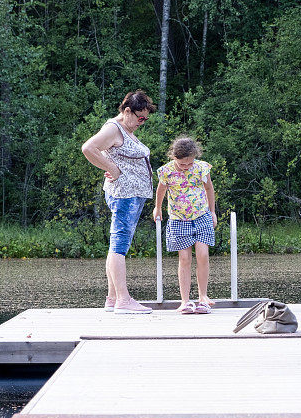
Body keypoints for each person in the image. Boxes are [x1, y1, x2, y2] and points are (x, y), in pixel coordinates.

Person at [81, 90, 156, 314]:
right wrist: (112, 168)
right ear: (126, 111)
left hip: (130, 195)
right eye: (140, 117)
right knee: (119, 245)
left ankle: (113, 298)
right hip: (124, 195)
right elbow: (88, 148)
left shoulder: (124, 128)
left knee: (117, 244)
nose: (142, 122)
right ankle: (124, 299)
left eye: (145, 119)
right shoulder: (113, 128)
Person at [153, 136, 217, 314]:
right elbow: (161, 189)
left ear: (194, 157)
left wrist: (212, 212)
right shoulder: (166, 171)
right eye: (182, 164)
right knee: (185, 259)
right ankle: (185, 300)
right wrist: (157, 208)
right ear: (174, 158)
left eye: (189, 163)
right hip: (179, 218)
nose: (186, 167)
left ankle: (203, 297)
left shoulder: (202, 168)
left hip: (201, 215)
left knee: (203, 254)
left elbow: (209, 188)